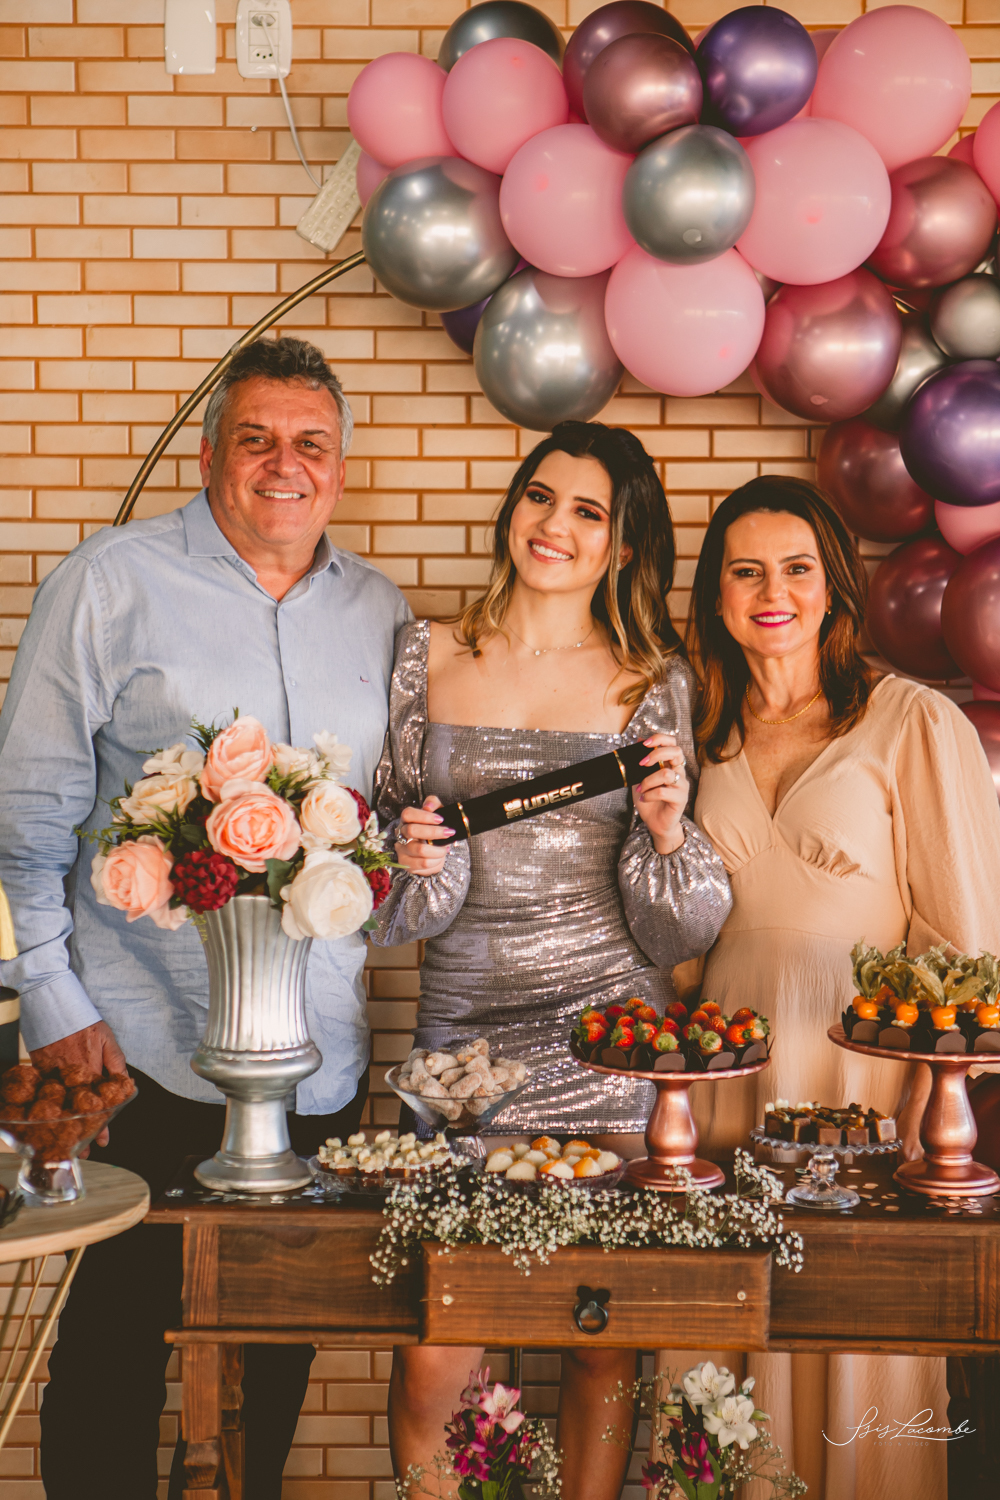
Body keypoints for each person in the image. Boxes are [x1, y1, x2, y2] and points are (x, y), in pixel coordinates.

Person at [0, 336, 412, 1500]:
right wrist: (51, 999)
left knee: (277, 1340)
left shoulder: (380, 613)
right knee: (114, 1341)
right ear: (209, 454)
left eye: (311, 443)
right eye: (256, 439)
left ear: (341, 466)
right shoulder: (108, 584)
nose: (285, 465)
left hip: (314, 1061)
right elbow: (27, 814)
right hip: (136, 1045)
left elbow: (384, 823)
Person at [371, 421, 732, 1500]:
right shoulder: (424, 652)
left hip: (607, 1044)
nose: (553, 525)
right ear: (513, 504)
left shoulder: (653, 680)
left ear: (623, 545)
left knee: (600, 1339)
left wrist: (667, 833)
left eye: (587, 511)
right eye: (540, 495)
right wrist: (409, 856)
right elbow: (389, 892)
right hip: (461, 1053)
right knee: (438, 1347)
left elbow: (678, 934)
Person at [686, 475, 1000, 1500]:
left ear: (833, 589)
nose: (771, 592)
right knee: (716, 1341)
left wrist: (928, 1100)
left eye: (796, 569)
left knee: (854, 1341)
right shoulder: (696, 727)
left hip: (862, 1083)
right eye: (745, 571)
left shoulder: (911, 719)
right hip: (722, 1078)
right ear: (716, 594)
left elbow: (964, 939)